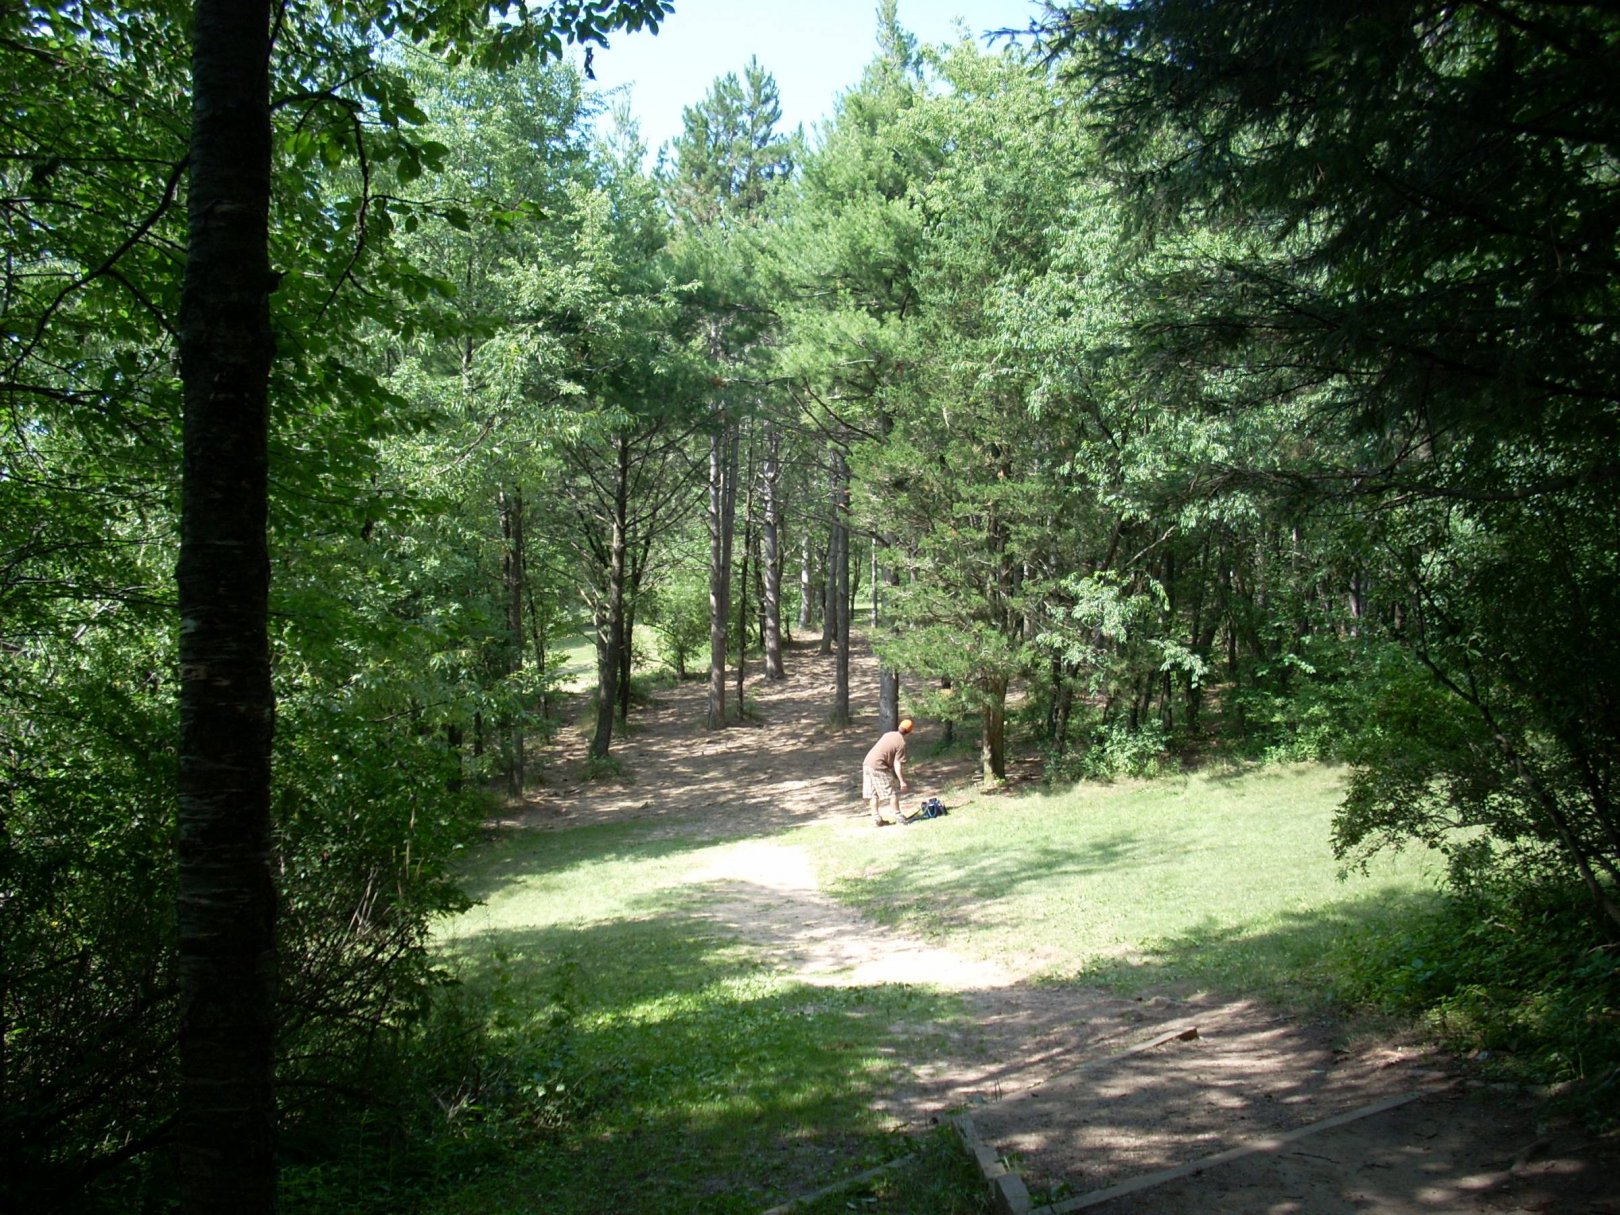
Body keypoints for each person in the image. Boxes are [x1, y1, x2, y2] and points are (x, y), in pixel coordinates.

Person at [862, 718, 914, 826]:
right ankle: (899, 817)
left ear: (899, 726)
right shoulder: (901, 743)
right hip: (878, 766)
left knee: (874, 793)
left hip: (867, 763)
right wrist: (902, 781)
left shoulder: (888, 734)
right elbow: (897, 764)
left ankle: (876, 818)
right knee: (892, 792)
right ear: (909, 732)